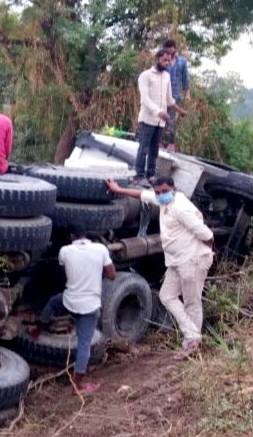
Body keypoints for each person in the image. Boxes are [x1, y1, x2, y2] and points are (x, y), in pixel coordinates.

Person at [105, 176, 213, 360]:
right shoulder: (163, 200)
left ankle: (193, 342)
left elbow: (207, 234)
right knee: (167, 295)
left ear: (174, 188)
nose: (161, 195)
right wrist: (119, 190)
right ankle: (193, 335)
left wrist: (206, 252)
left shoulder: (181, 207)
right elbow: (142, 195)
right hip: (176, 261)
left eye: (164, 191)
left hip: (192, 260)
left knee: (192, 302)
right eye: (158, 192)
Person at [29, 223, 116, 395]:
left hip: (70, 301)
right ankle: (78, 386)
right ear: (87, 235)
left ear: (71, 237)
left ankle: (38, 329)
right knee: (84, 345)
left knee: (53, 303)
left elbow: (64, 270)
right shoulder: (101, 249)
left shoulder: (65, 251)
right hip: (90, 306)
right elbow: (112, 275)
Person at [135, 49, 188, 181]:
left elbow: (169, 99)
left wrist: (180, 111)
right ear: (157, 59)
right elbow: (145, 99)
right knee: (143, 148)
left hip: (161, 121)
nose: (167, 63)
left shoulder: (167, 76)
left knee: (154, 150)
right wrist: (158, 111)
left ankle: (151, 176)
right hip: (148, 118)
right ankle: (139, 176)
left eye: (169, 61)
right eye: (165, 60)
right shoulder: (145, 75)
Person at [162, 39, 191, 152]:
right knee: (161, 119)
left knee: (172, 120)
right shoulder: (163, 61)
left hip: (176, 96)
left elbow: (185, 79)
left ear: (175, 48)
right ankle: (160, 143)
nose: (169, 50)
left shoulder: (182, 62)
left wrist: (187, 94)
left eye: (171, 47)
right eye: (167, 48)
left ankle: (170, 144)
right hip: (162, 96)